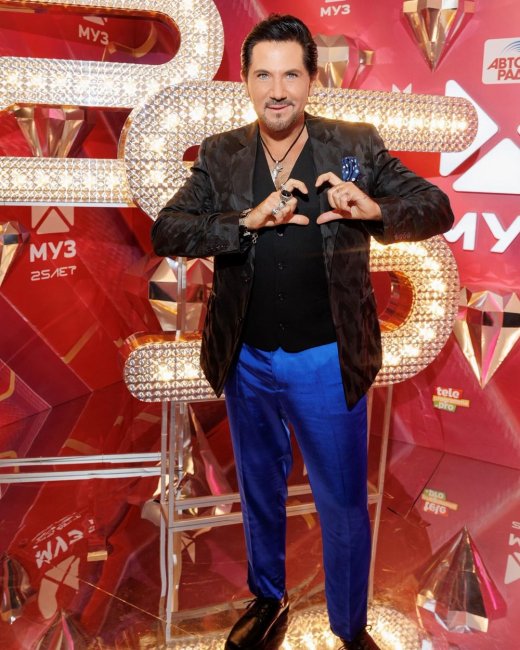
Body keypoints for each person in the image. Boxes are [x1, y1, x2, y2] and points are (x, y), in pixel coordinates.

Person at [151, 13, 454, 650]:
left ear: (312, 80)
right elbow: (168, 229)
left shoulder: (356, 145)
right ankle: (269, 598)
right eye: (264, 75)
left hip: (326, 360)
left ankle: (349, 626)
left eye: (291, 74)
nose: (277, 89)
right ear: (244, 80)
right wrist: (244, 221)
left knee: (341, 502)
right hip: (247, 358)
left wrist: (374, 209)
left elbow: (436, 206)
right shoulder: (221, 154)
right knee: (259, 489)